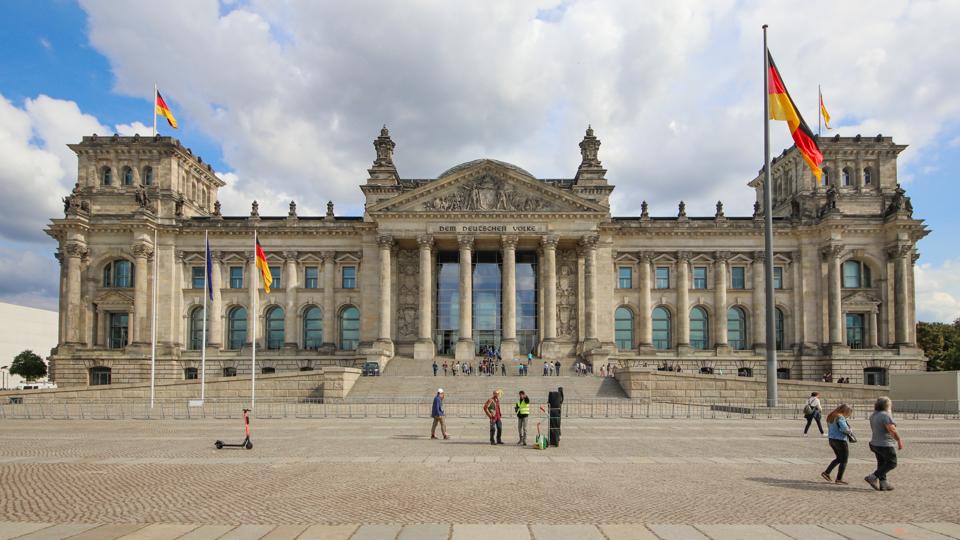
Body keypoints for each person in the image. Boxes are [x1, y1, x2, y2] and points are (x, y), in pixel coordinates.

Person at [866, 396, 903, 491]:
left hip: (875, 443)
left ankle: (883, 483)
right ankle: (873, 477)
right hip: (885, 444)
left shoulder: (873, 415)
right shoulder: (885, 415)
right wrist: (899, 440)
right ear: (887, 405)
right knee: (892, 463)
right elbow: (892, 430)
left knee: (881, 463)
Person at [821, 404, 854, 484]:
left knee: (839, 458)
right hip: (840, 440)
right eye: (849, 413)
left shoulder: (831, 416)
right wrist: (850, 430)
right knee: (844, 460)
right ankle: (839, 479)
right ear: (846, 411)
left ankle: (826, 472)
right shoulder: (840, 417)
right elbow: (844, 429)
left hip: (832, 439)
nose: (848, 415)